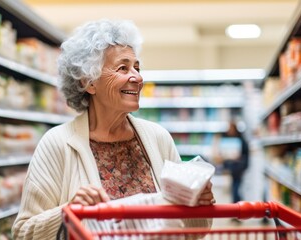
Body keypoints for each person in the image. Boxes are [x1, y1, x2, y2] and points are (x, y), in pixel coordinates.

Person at [12, 19, 215, 239]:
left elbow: (192, 232)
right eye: (123, 68)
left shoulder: (158, 138)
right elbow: (24, 232)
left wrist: (197, 204)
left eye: (137, 67)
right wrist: (69, 212)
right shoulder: (57, 144)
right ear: (88, 82)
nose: (137, 77)